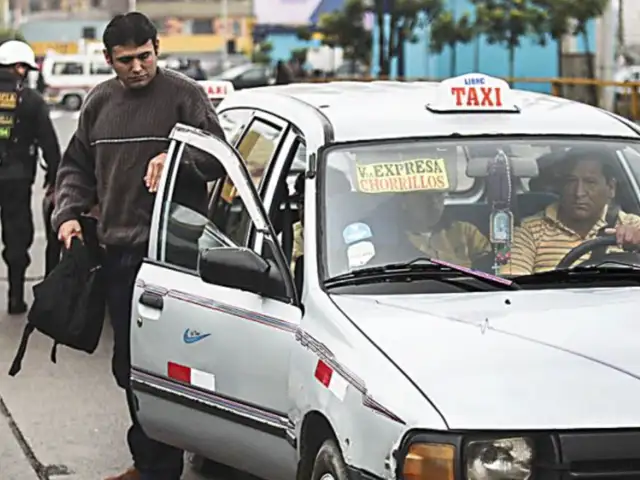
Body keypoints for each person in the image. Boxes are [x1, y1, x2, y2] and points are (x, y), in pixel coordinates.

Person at [52, 12, 225, 480]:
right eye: (125, 60)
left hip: (178, 260)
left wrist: (177, 157)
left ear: (157, 49)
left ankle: (182, 460)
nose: (136, 67)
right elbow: (74, 168)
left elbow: (218, 159)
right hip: (119, 257)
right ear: (108, 60)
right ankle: (150, 462)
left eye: (144, 56)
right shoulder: (98, 104)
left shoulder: (184, 96)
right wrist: (67, 214)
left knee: (182, 366)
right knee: (129, 367)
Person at [505, 149, 640, 276]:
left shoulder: (633, 226)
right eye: (571, 181)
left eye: (590, 182)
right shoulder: (529, 232)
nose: (579, 192)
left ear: (611, 188)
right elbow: (512, 289)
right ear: (561, 186)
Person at [0, 40, 60, 314]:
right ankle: (15, 298)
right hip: (17, 179)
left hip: (15, 176)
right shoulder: (32, 100)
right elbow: (49, 142)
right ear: (21, 68)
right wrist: (54, 176)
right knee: (16, 235)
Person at [400, 190, 491, 268]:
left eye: (438, 194)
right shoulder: (391, 242)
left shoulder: (466, 232)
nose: (434, 201)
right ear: (404, 202)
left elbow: (490, 268)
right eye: (424, 195)